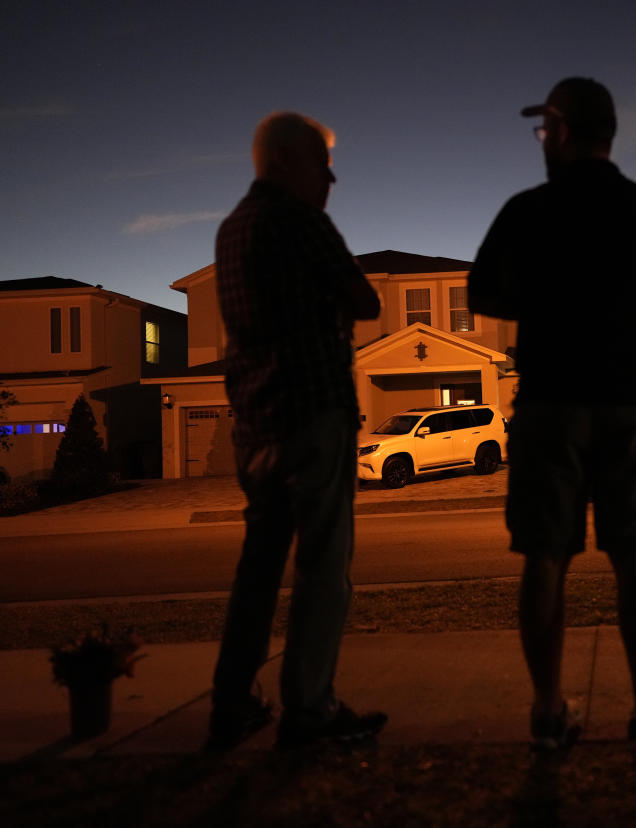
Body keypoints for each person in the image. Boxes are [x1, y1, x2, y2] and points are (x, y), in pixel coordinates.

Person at [469, 77, 636, 751]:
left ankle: (548, 712)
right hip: (631, 403)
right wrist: (627, 312)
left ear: (563, 130)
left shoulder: (525, 210)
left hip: (548, 404)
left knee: (544, 559)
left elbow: (481, 291)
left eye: (545, 130)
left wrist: (551, 310)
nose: (542, 142)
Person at [206, 112, 387, 749]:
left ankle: (232, 703)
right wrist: (332, 309)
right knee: (323, 567)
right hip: (313, 415)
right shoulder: (301, 220)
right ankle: (309, 711)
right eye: (320, 162)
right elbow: (367, 301)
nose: (330, 178)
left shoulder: (232, 230)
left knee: (257, 570)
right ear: (283, 159)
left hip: (255, 425)